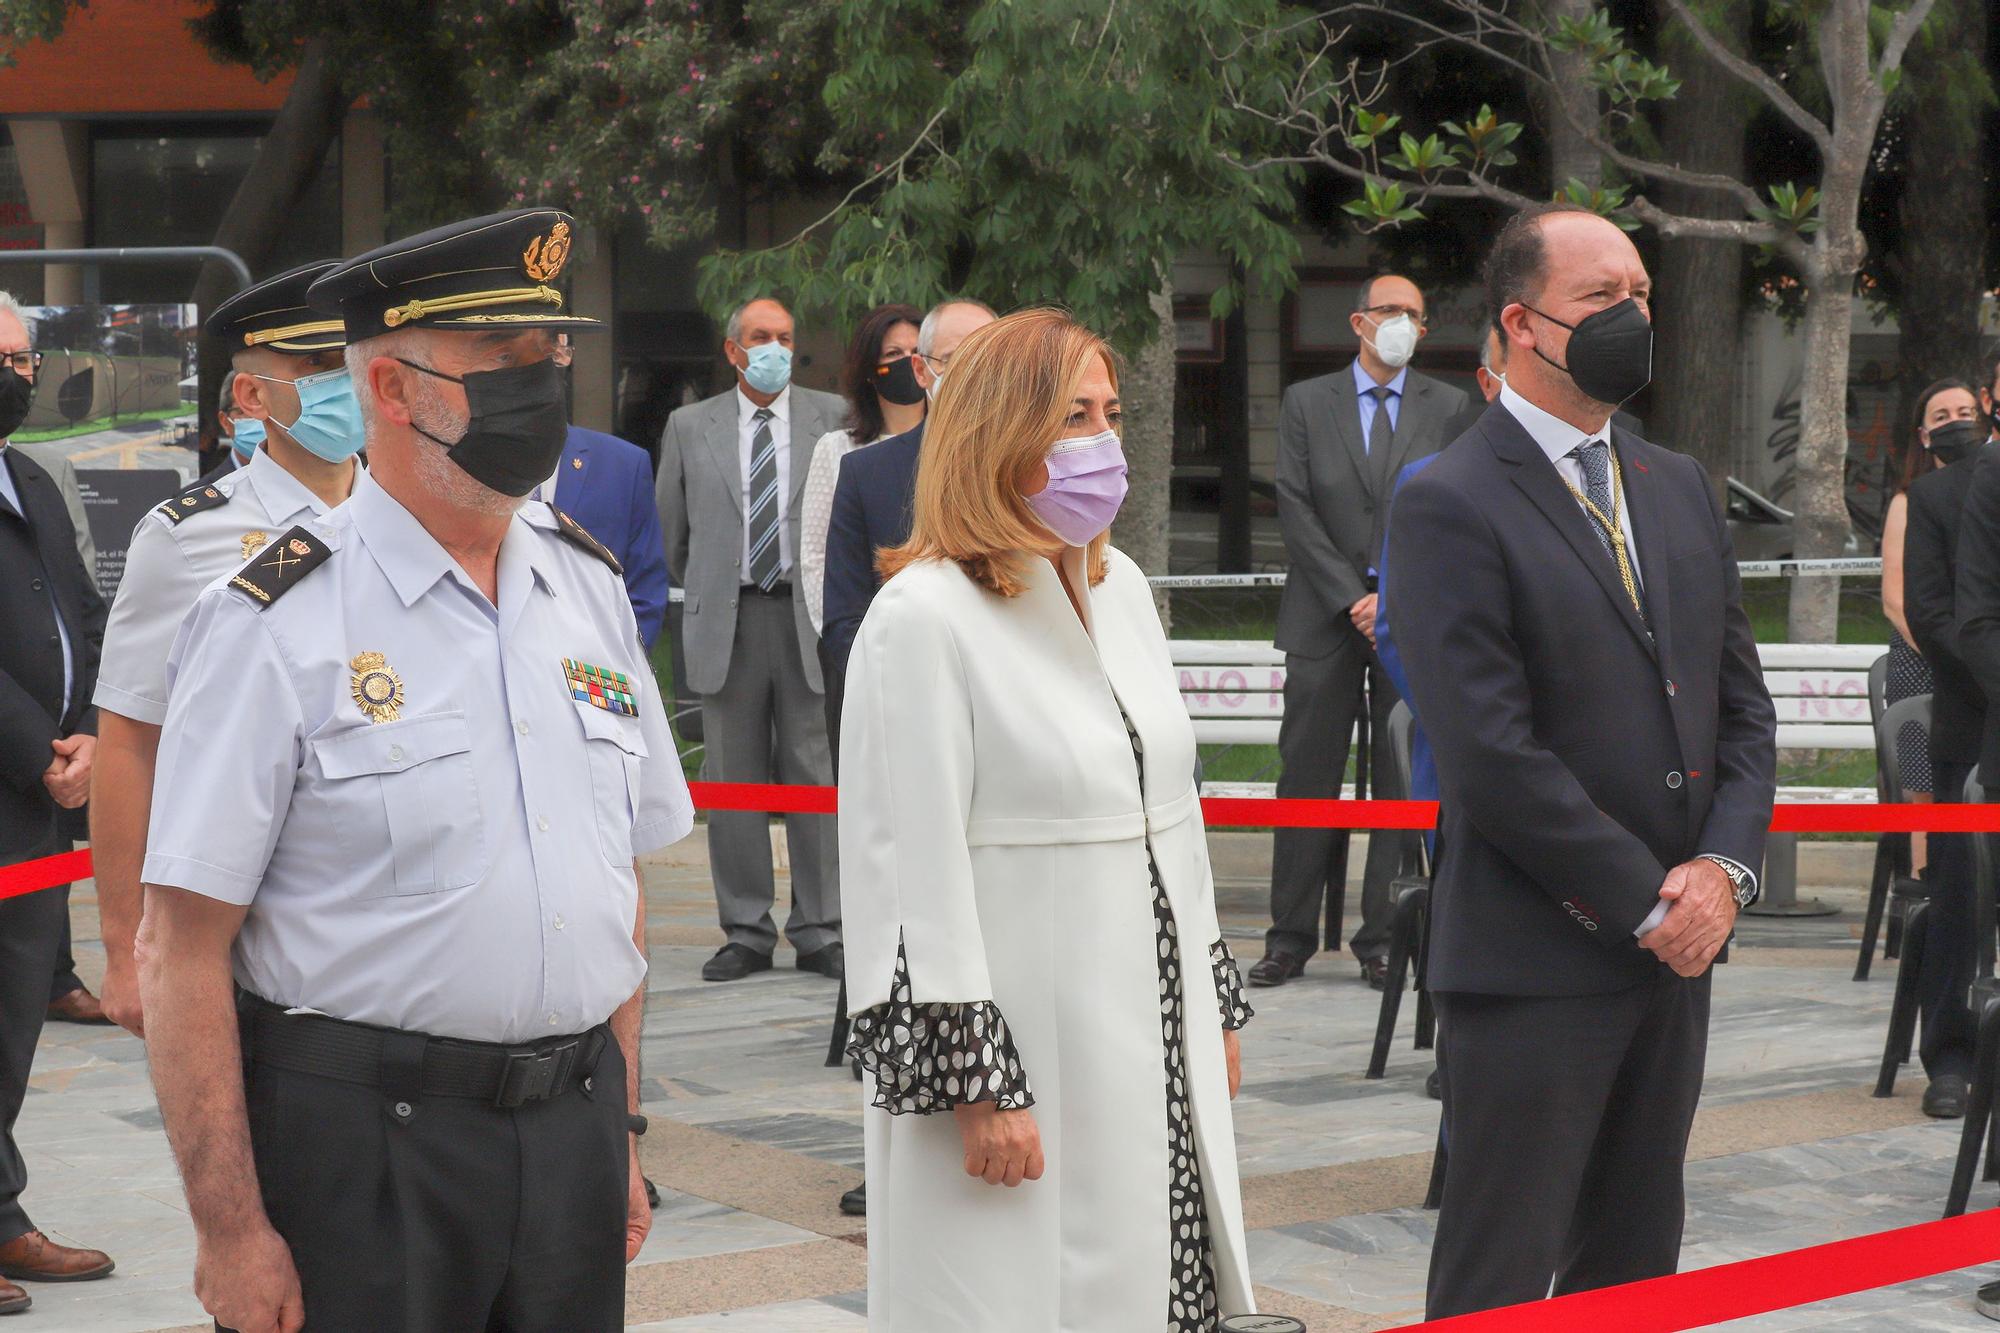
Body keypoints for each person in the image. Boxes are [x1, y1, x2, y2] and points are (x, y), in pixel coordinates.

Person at [135, 208, 695, 1333]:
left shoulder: (580, 585)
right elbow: (180, 945)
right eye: (502, 359)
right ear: (391, 390)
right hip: (366, 1154)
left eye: (549, 354)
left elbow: (612, 889)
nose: (540, 386)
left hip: (572, 1131)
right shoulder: (272, 619)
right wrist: (230, 1230)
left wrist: (618, 1133)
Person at [1387, 203, 1776, 1319]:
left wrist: (1718, 876)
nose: (1634, 317)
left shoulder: (1677, 485)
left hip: (1675, 960)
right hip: (1531, 961)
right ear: (1519, 323)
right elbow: (1487, 752)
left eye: (1642, 294)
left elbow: (1738, 714)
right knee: (1498, 1271)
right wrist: (1644, 900)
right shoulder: (1447, 501)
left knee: (1633, 1263)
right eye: (1601, 298)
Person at [841, 308, 1254, 1329]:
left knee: (1159, 1279)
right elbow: (905, 871)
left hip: (1148, 1033)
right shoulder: (922, 618)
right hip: (1019, 1055)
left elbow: (1175, 823)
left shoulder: (1120, 593)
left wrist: (1211, 1001)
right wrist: (976, 1081)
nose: (1102, 440)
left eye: (1110, 412)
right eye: (1073, 415)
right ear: (997, 428)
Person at [88, 261, 365, 1040]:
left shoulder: (411, 520)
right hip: (244, 911)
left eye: (350, 362)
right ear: (251, 397)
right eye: (315, 367)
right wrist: (123, 947)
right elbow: (130, 739)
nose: (343, 383)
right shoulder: (186, 537)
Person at [1256, 274, 1473, 991]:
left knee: (1398, 778)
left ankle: (1383, 938)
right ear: (1358, 321)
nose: (1403, 323)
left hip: (1408, 620)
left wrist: (1392, 596)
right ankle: (1288, 937)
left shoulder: (1448, 406)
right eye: (1390, 311)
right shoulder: (1306, 402)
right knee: (1306, 775)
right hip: (1323, 614)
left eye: (1415, 312)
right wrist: (1353, 596)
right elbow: (1294, 505)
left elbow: (1446, 504)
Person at [655, 296, 845, 983]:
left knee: (815, 775)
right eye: (761, 337)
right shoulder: (687, 426)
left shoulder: (835, 417)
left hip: (809, 618)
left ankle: (822, 927)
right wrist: (713, 584)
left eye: (786, 337)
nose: (776, 348)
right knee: (732, 781)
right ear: (733, 350)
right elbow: (671, 536)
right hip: (727, 620)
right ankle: (745, 930)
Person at [0, 290, 115, 1314]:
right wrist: (41, 747)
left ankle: (0, 1217)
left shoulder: (27, 473)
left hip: (38, 802)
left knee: (9, 1023)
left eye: (26, 360)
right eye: (6, 359)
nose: (20, 376)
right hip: (16, 777)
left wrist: (91, 731)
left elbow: (80, 607)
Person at [819, 298, 996, 708]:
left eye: (987, 356)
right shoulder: (866, 474)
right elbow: (846, 620)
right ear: (922, 369)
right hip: (904, 707)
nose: (974, 372)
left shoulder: (1036, 470)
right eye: (956, 358)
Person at [1899, 378, 1990, 1122]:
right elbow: (1933, 615)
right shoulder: (1939, 499)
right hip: (1974, 724)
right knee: (1960, 898)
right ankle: (1951, 1056)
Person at [1880, 384, 1971, 882]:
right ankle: (1927, 895)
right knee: (1927, 789)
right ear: (1923, 434)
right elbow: (1897, 601)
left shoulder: (1984, 495)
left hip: (1978, 663)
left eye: (1964, 412)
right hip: (1926, 662)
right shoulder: (1908, 500)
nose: (1955, 422)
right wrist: (1953, 657)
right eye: (1942, 415)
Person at [532, 337, 671, 650]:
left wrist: (615, 677)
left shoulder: (622, 466)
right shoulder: (462, 465)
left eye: (553, 346)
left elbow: (644, 594)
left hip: (593, 680)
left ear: (564, 355)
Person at [800, 303, 926, 639]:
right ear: (870, 369)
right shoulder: (836, 449)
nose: (907, 361)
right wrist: (847, 642)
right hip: (864, 635)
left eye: (916, 352)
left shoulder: (951, 448)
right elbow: (816, 559)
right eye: (894, 353)